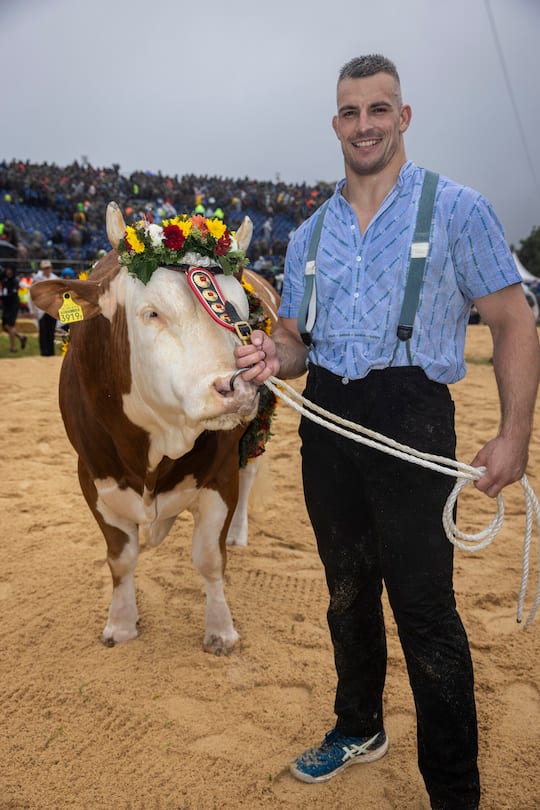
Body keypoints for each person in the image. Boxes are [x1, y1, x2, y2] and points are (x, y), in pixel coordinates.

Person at [234, 54, 540, 810]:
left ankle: (455, 789)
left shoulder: (456, 209)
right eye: (349, 111)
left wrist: (514, 437)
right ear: (335, 123)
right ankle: (358, 725)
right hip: (330, 423)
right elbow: (301, 343)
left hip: (414, 418)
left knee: (425, 609)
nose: (363, 124)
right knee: (345, 592)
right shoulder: (307, 235)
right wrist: (279, 352)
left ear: (402, 118)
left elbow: (513, 321)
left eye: (379, 109)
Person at [31, 259, 59, 356]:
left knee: (51, 331)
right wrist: (34, 309)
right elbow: (33, 294)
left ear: (51, 268)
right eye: (45, 268)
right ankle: (44, 353)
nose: (47, 269)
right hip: (41, 309)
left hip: (52, 308)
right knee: (43, 331)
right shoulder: (37, 279)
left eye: (48, 268)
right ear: (42, 269)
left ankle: (51, 353)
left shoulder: (55, 278)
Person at [1, 264, 27, 353]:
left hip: (13, 305)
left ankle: (13, 348)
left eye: (10, 270)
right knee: (5, 326)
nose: (8, 271)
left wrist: (2, 296)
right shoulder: (4, 277)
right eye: (7, 269)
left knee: (10, 325)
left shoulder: (15, 281)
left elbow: (12, 293)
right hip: (6, 304)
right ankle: (21, 337)